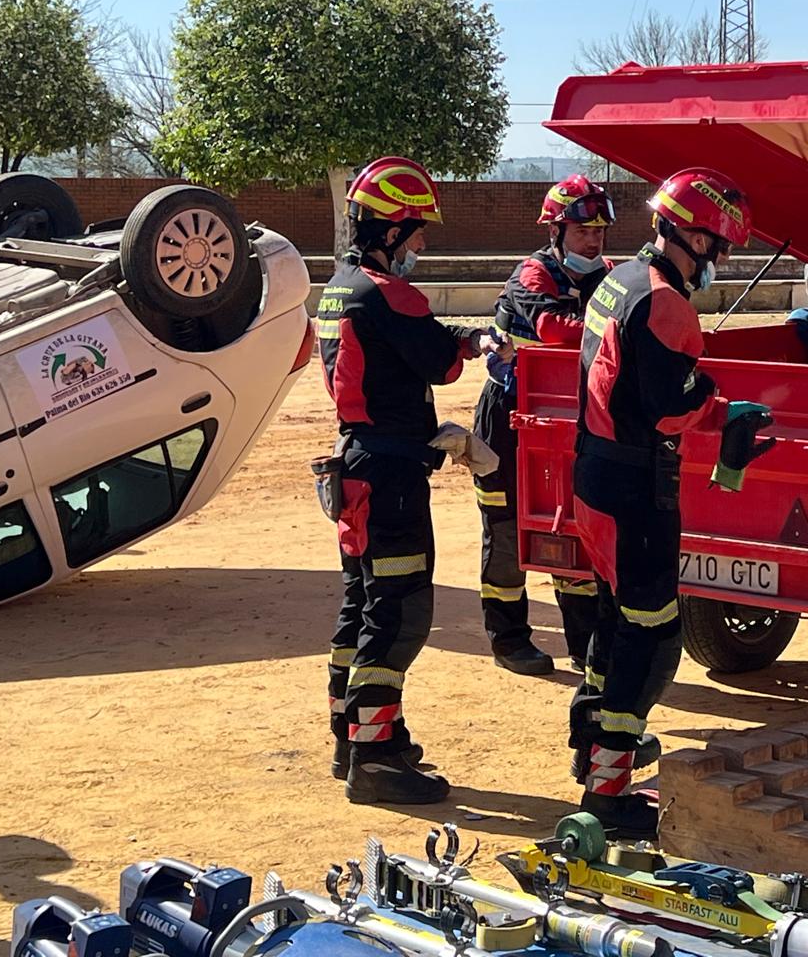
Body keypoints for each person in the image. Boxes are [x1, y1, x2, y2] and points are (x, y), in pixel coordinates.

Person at [568, 167, 775, 837]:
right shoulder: (666, 303)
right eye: (721, 247)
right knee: (653, 637)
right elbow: (666, 407)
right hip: (636, 491)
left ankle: (595, 755)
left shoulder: (617, 281)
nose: (723, 260)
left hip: (596, 475)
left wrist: (707, 407)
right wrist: (717, 403)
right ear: (695, 237)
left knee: (615, 621)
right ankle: (608, 796)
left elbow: (628, 383)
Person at [317, 156, 487, 805]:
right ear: (390, 231)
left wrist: (463, 336)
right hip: (389, 478)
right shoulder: (390, 293)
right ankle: (376, 759)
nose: (421, 245)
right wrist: (473, 346)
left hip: (356, 463)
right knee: (400, 613)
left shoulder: (340, 288)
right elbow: (440, 362)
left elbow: (408, 344)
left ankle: (352, 737)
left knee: (361, 606)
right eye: (416, 232)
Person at [475, 175, 615, 676]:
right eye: (582, 232)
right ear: (555, 231)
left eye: (599, 232)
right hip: (508, 420)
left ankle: (585, 646)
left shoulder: (608, 275)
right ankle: (509, 641)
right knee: (506, 531)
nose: (593, 241)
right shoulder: (532, 274)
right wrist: (619, 330)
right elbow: (553, 329)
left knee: (572, 527)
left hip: (570, 421)